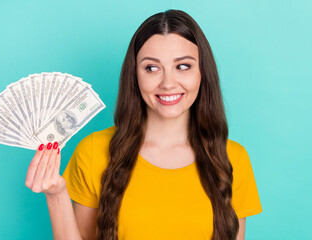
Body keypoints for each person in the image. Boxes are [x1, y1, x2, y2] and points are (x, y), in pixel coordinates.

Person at [25, 9, 262, 240]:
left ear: (202, 72)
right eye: (152, 68)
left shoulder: (233, 158)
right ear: (135, 75)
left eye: (182, 66)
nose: (168, 83)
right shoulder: (92, 151)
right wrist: (56, 195)